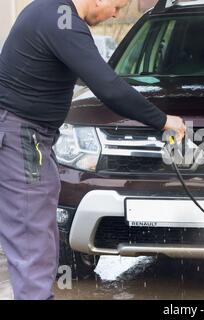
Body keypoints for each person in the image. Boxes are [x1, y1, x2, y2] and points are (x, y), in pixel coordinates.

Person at [0, 0, 186, 300]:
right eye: (117, 5)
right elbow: (109, 87)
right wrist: (163, 120)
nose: (115, 14)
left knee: (37, 239)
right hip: (21, 136)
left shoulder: (51, 11)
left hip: (30, 136)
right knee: (31, 241)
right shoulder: (63, 20)